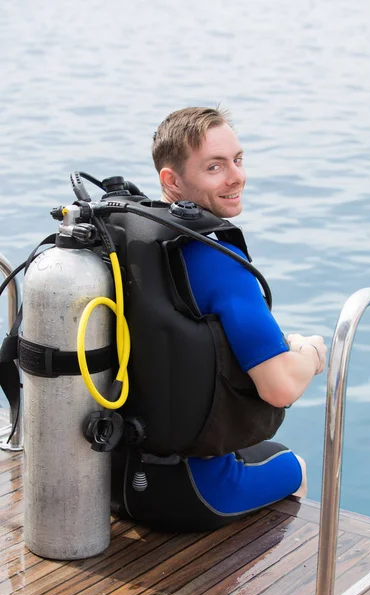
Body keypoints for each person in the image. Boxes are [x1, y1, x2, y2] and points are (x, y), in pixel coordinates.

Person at [125, 106, 327, 531]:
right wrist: (310, 352)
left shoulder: (129, 243)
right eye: (215, 166)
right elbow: (280, 387)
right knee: (295, 466)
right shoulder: (221, 262)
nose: (236, 177)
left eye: (238, 160)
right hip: (196, 489)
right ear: (171, 180)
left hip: (116, 479)